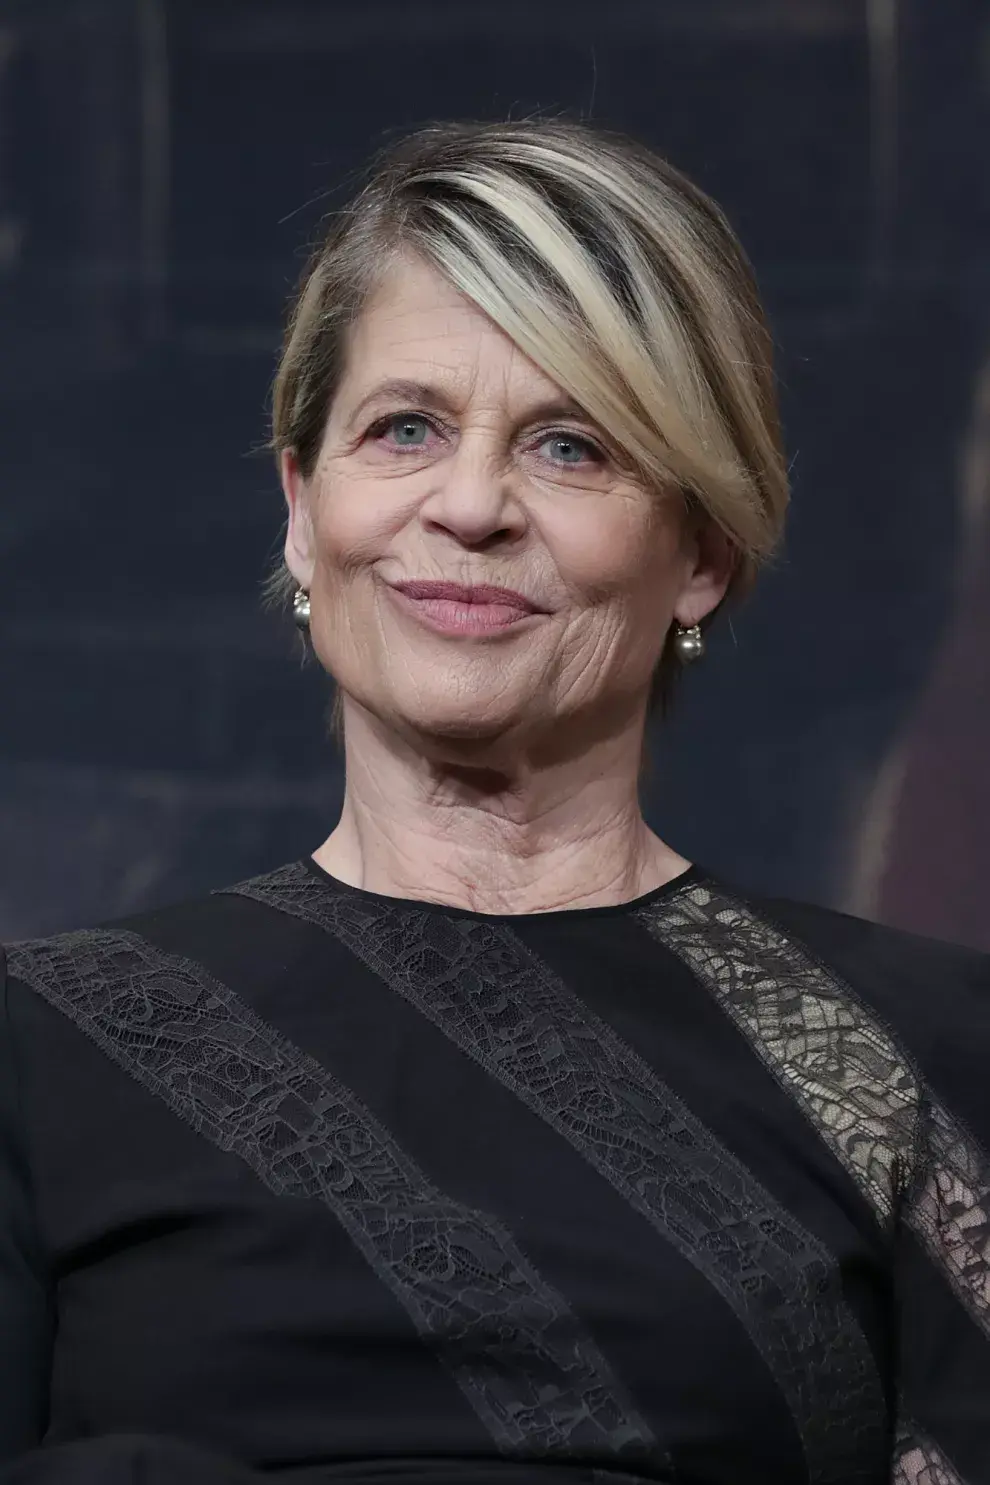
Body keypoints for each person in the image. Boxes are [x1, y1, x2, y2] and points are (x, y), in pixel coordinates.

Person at [1, 118, 987, 1485]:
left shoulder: (925, 1053)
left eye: (570, 447)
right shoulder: (39, 1047)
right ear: (304, 508)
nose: (471, 506)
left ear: (700, 554)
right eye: (404, 429)